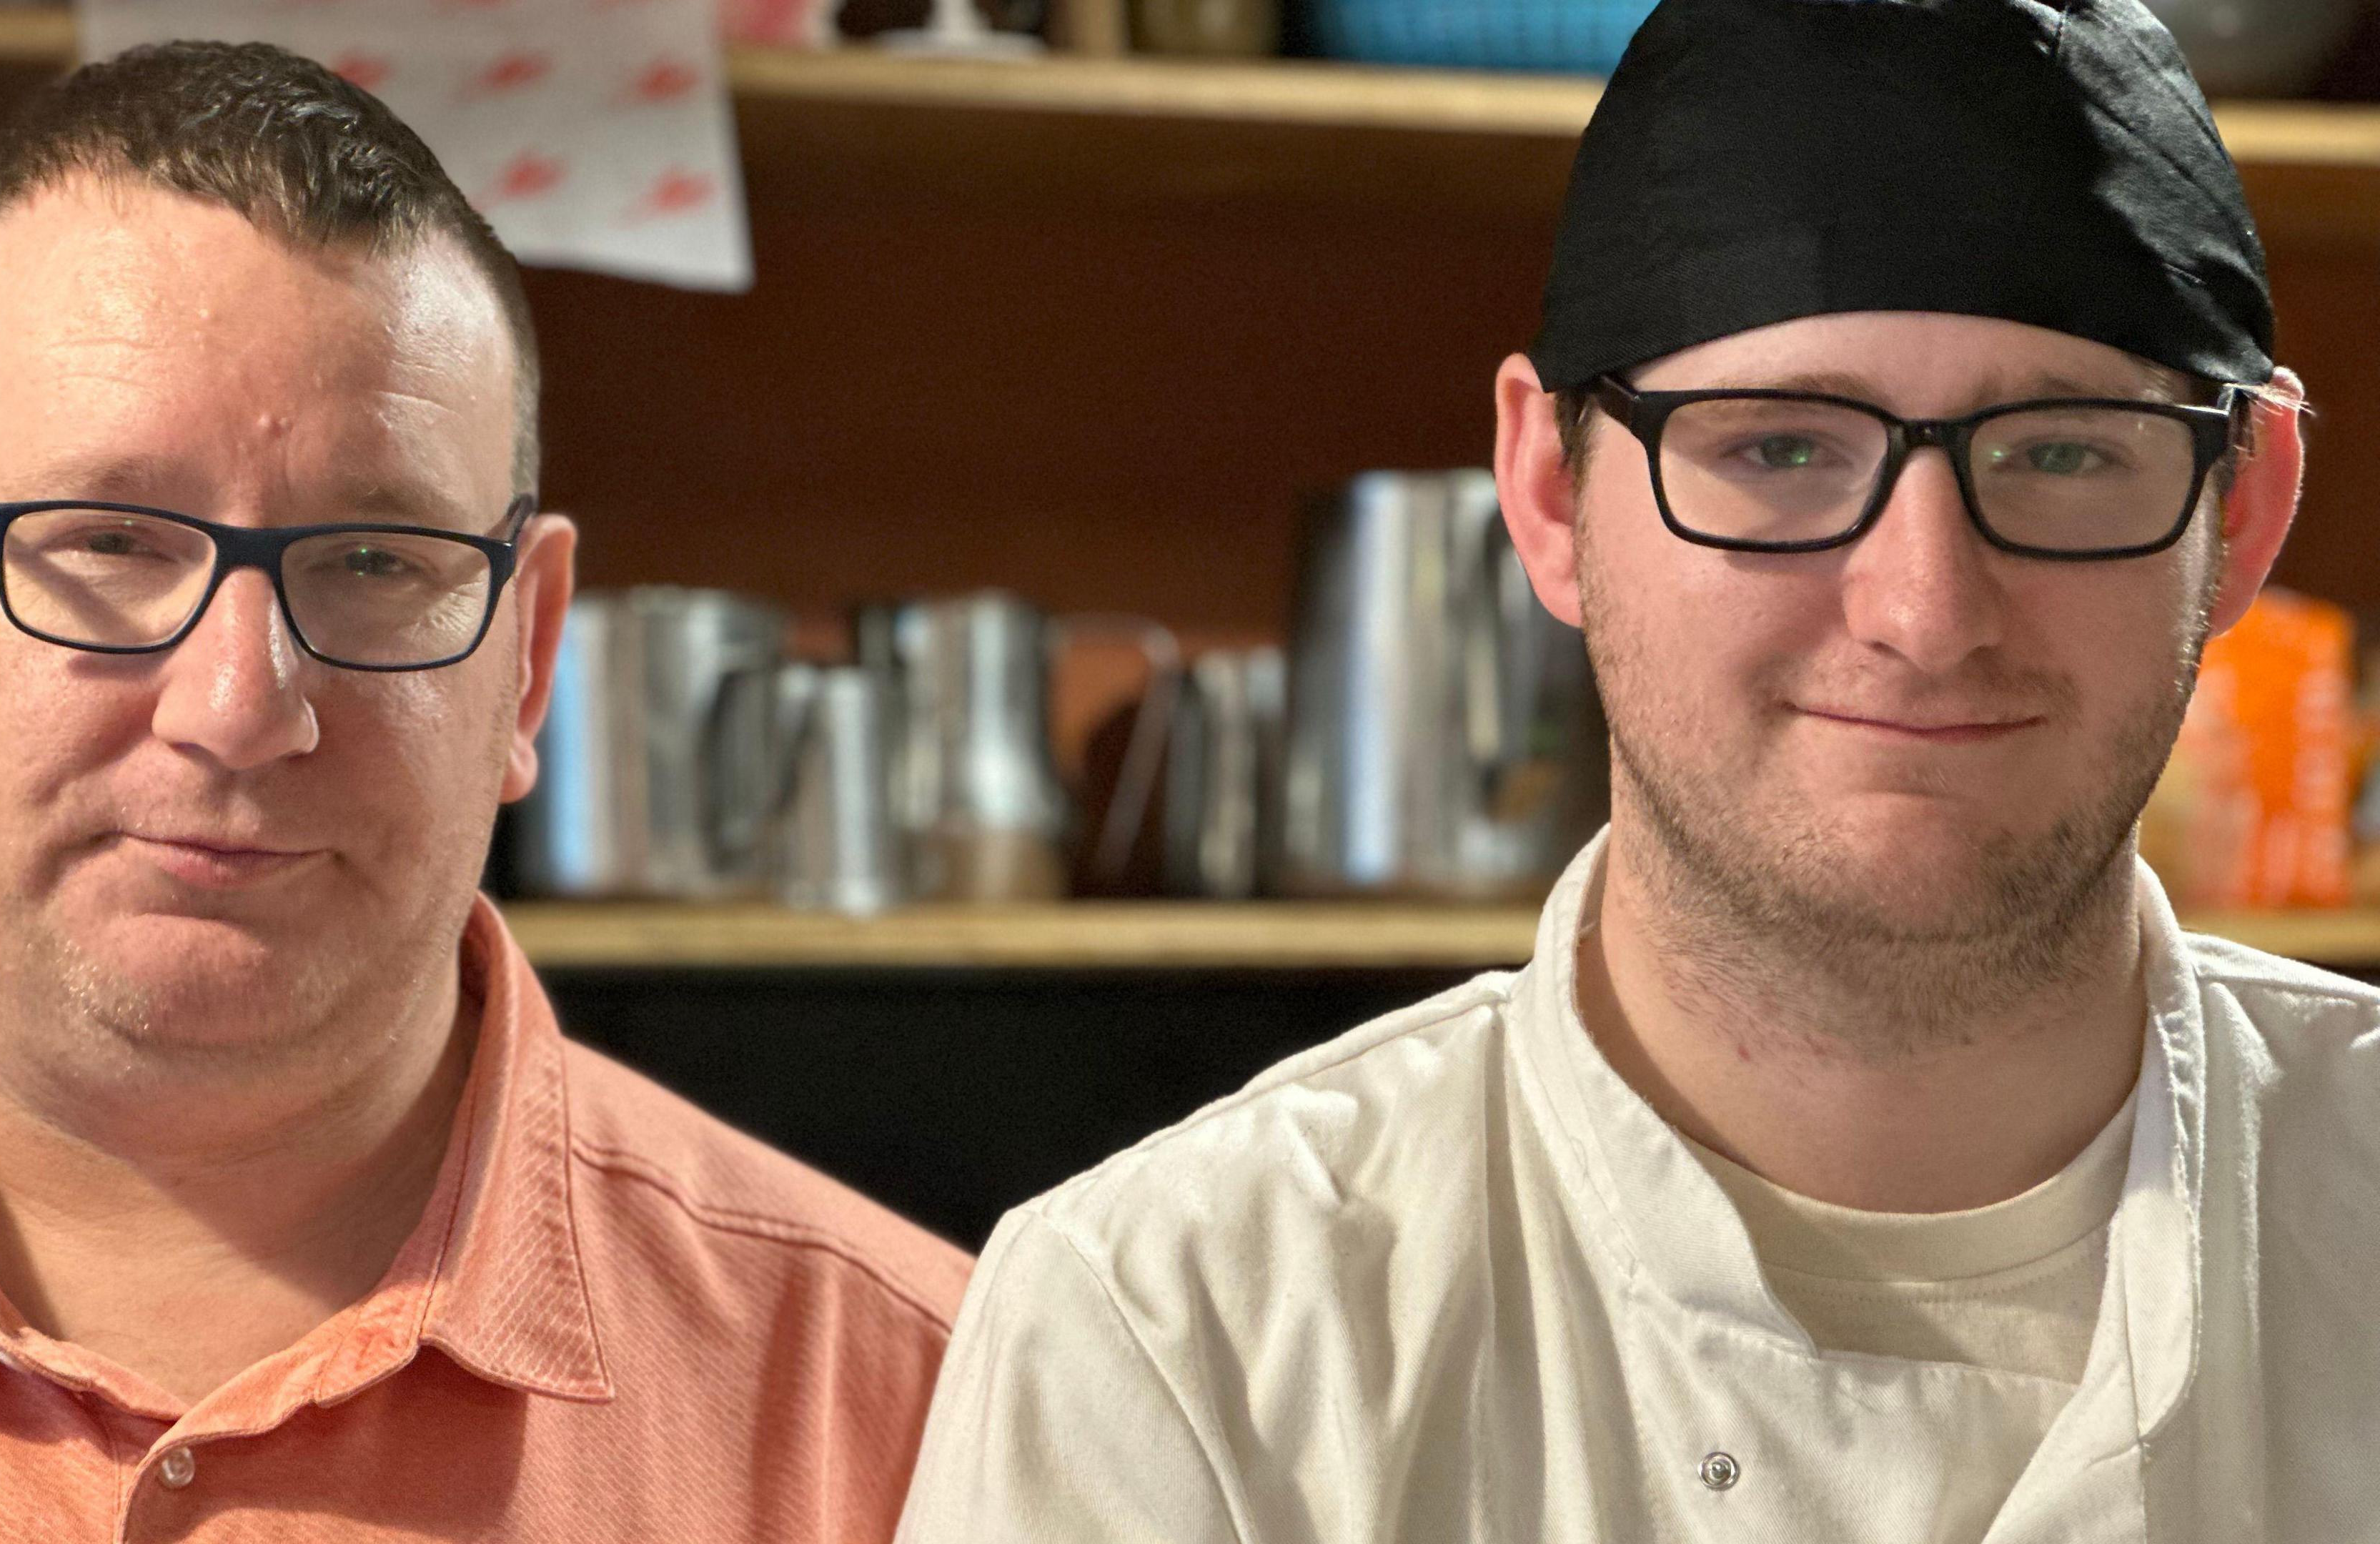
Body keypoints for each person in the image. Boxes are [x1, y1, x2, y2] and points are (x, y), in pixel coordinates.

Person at [896, 1, 2380, 1538]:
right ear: (1549, 495)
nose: (1925, 612)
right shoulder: (1185, 1337)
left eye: (2063, 452)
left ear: (2248, 511)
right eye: (1779, 451)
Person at [0, 41, 967, 1541]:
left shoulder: (932, 1411)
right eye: (111, 545)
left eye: (378, 564)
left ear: (524, 661)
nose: (240, 709)